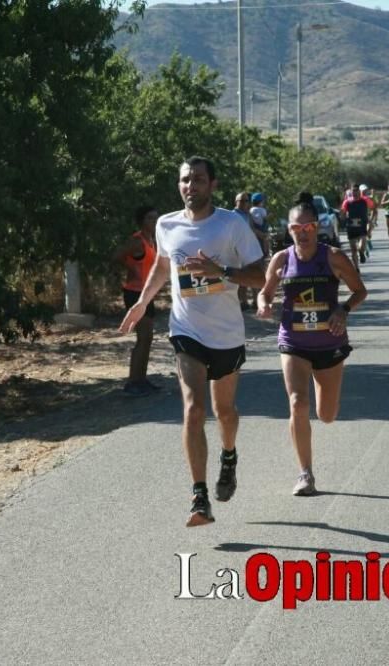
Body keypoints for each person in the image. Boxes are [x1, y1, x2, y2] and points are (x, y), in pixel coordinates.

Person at [119, 156, 266, 527]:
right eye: (185, 180)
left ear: (212, 185)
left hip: (227, 334)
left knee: (225, 412)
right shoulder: (167, 225)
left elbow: (261, 276)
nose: (191, 186)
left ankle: (228, 456)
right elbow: (163, 266)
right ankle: (199, 496)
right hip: (186, 330)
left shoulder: (232, 224)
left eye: (198, 179)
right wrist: (142, 302)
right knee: (193, 409)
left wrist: (222, 272)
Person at [257, 202, 367, 495]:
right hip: (293, 341)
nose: (302, 233)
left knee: (327, 414)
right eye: (296, 228)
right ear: (288, 229)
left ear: (316, 227)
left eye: (307, 228)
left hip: (329, 342)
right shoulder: (281, 260)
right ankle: (305, 474)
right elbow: (265, 292)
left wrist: (343, 309)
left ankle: (321, 408)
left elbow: (360, 291)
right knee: (297, 403)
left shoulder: (333, 257)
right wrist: (264, 305)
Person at [113, 206, 160, 397]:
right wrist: (128, 270)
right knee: (143, 338)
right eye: (150, 218)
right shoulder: (136, 241)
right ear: (141, 221)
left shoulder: (152, 241)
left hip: (146, 294)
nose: (154, 222)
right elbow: (115, 257)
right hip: (135, 294)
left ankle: (141, 379)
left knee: (147, 338)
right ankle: (133, 381)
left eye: (156, 218)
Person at [232, 192, 256, 309]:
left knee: (252, 274)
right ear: (236, 202)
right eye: (242, 201)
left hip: (249, 250)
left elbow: (252, 230)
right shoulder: (232, 216)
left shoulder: (248, 216)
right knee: (241, 278)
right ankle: (243, 302)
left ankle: (255, 301)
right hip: (237, 251)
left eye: (246, 201)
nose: (244, 203)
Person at [339, 184, 370, 269]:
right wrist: (343, 216)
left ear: (359, 192)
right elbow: (342, 213)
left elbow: (373, 207)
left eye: (356, 190)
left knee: (362, 245)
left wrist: (369, 219)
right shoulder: (347, 202)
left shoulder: (365, 200)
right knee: (353, 250)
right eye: (353, 190)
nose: (355, 192)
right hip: (351, 227)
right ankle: (356, 268)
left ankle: (361, 252)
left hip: (362, 226)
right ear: (351, 192)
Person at [248, 192, 271, 258]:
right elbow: (263, 219)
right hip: (261, 228)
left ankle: (263, 253)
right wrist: (269, 216)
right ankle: (266, 253)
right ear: (261, 202)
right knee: (265, 239)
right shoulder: (262, 210)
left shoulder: (251, 209)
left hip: (255, 228)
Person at [359, 184, 377, 257]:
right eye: (363, 190)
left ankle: (368, 240)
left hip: (366, 218)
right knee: (360, 237)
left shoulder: (367, 199)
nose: (364, 192)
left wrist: (372, 219)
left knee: (369, 229)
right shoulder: (355, 199)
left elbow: (374, 209)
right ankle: (365, 250)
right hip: (357, 220)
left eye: (365, 190)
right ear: (360, 191)